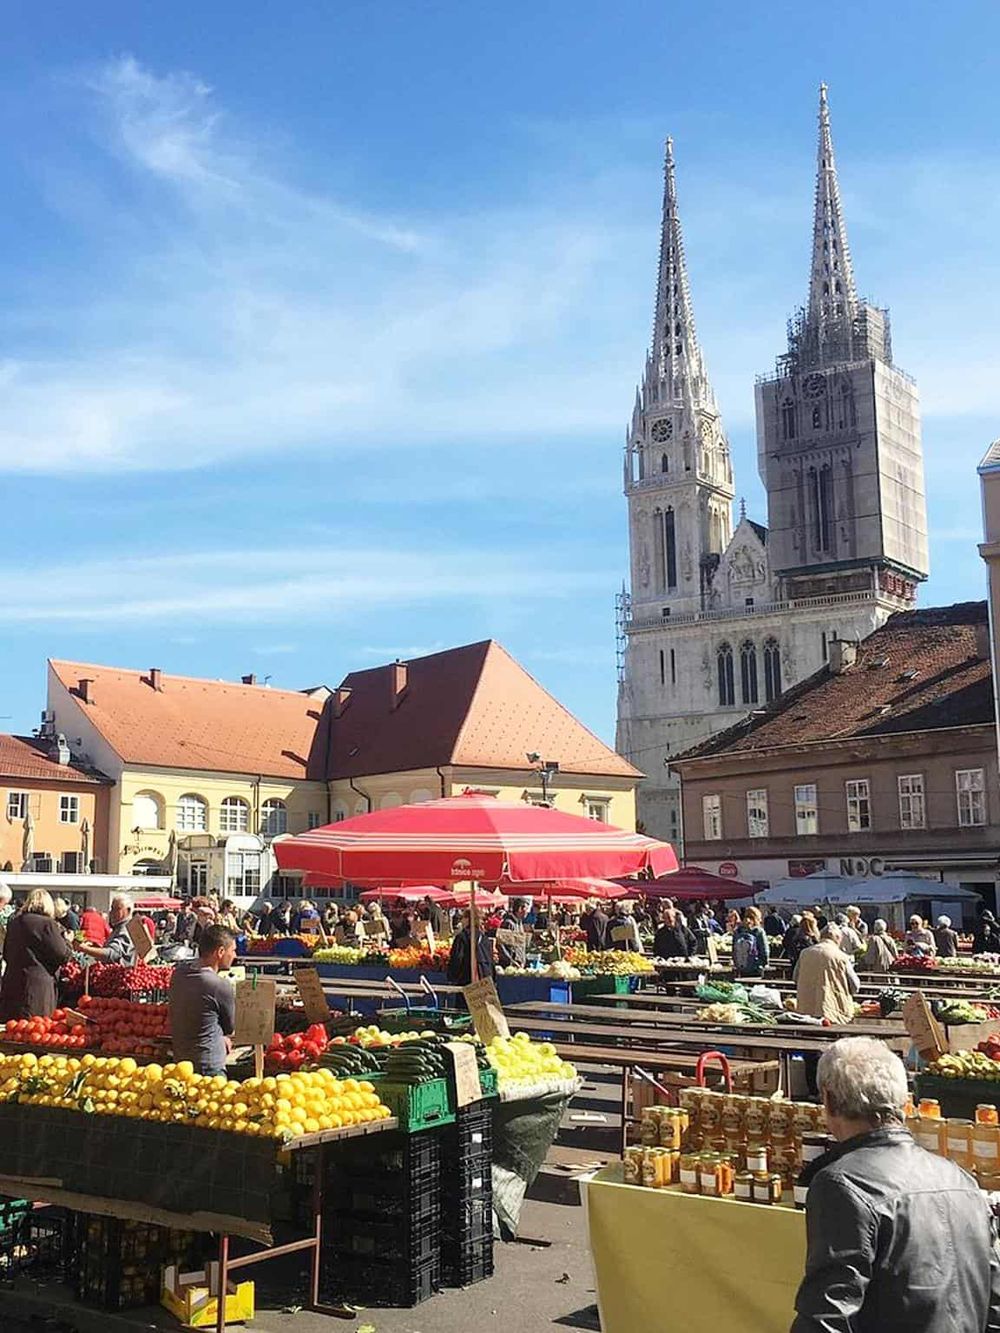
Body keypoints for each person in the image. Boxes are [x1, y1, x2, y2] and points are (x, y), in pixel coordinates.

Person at [792, 1036, 1000, 1332]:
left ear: (828, 1099)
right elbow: (994, 1304)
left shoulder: (843, 1183)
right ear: (903, 1100)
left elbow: (828, 1314)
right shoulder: (959, 1179)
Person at [168, 924, 237, 1077]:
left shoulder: (178, 975)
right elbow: (229, 1027)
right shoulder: (219, 985)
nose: (235, 955)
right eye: (232, 950)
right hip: (209, 1065)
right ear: (220, 952)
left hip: (182, 1062)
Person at [0, 889, 74, 1020]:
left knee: (12, 1032)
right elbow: (63, 955)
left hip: (12, 985)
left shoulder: (14, 923)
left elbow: (6, 953)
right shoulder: (47, 924)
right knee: (34, 1031)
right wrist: (68, 941)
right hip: (37, 989)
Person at [794, 924, 860, 1025]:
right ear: (837, 938)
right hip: (834, 1012)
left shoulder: (804, 953)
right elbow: (855, 985)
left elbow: (795, 978)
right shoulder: (841, 957)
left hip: (805, 1011)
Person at [78, 895, 136, 966]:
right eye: (112, 908)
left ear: (128, 910)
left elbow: (113, 954)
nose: (112, 912)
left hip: (119, 973)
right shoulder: (118, 927)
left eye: (117, 909)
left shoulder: (125, 929)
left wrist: (85, 949)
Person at [446, 909, 494, 986]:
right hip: (484, 978)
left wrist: (452, 977)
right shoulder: (484, 938)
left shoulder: (462, 937)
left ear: (468, 919)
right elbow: (491, 960)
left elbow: (457, 958)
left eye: (462, 918)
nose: (461, 921)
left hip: (467, 978)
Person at [731, 906, 769, 976]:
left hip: (741, 967)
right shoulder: (758, 931)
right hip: (756, 967)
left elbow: (733, 950)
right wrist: (764, 963)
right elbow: (765, 951)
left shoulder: (738, 931)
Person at [496, 899, 528, 967]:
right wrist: (511, 961)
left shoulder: (519, 923)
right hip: (509, 965)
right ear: (520, 909)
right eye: (526, 909)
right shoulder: (508, 923)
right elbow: (501, 944)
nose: (527, 912)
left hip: (519, 963)